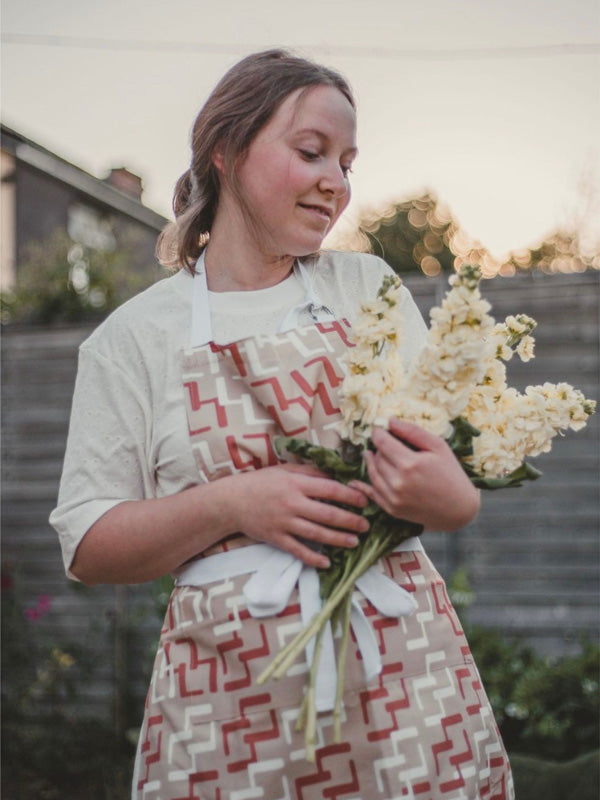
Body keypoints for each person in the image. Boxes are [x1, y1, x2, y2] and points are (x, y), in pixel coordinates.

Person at [50, 49, 514, 800]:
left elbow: (453, 492)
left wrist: (452, 497)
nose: (336, 180)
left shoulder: (368, 290)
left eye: (347, 160)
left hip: (402, 681)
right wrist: (235, 504)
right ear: (225, 151)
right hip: (230, 696)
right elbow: (90, 545)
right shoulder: (136, 338)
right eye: (311, 152)